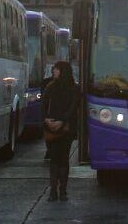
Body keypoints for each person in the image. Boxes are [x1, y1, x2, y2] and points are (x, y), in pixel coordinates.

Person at [42, 61, 79, 202]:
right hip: (63, 127)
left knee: (56, 158)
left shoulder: (50, 87)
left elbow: (44, 107)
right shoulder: (74, 88)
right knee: (62, 158)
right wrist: (59, 121)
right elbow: (72, 108)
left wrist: (49, 121)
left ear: (62, 71)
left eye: (56, 69)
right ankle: (61, 191)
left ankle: (54, 192)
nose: (53, 71)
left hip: (57, 127)